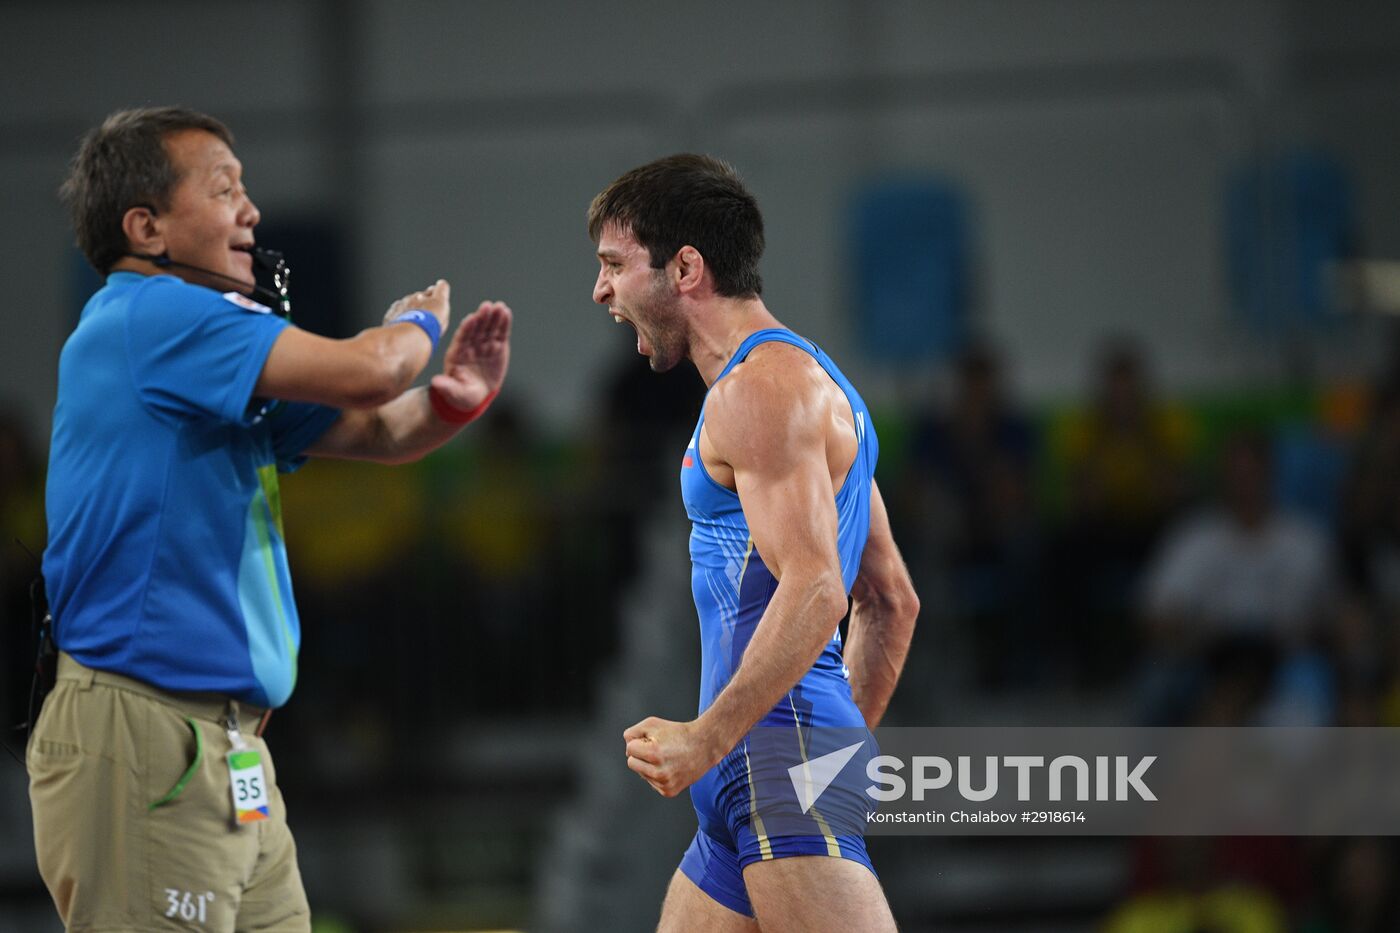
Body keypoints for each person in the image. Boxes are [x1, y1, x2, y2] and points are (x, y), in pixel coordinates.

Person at [28, 106, 511, 931]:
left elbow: (380, 428)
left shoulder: (198, 348)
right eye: (224, 189)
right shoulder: (153, 316)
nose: (251, 211)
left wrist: (449, 404)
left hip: (229, 746)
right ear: (145, 227)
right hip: (145, 728)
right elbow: (371, 370)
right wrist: (416, 324)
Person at [588, 155, 919, 932]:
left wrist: (714, 737)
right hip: (760, 764)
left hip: (769, 753)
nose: (601, 291)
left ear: (686, 268)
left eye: (613, 266)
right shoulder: (806, 385)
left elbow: (816, 589)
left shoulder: (761, 391)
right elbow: (890, 600)